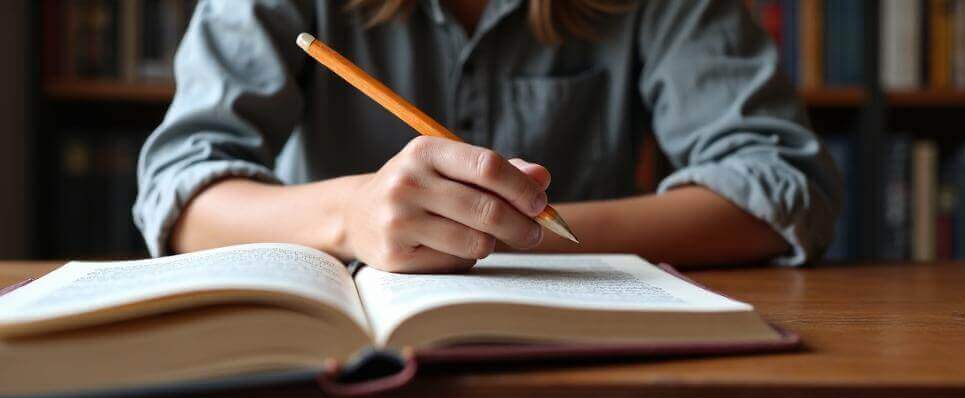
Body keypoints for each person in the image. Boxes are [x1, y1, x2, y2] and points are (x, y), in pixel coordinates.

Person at [134, 0, 842, 273]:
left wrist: (496, 230)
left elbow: (779, 186)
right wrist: (352, 215)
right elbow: (180, 190)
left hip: (586, 353)